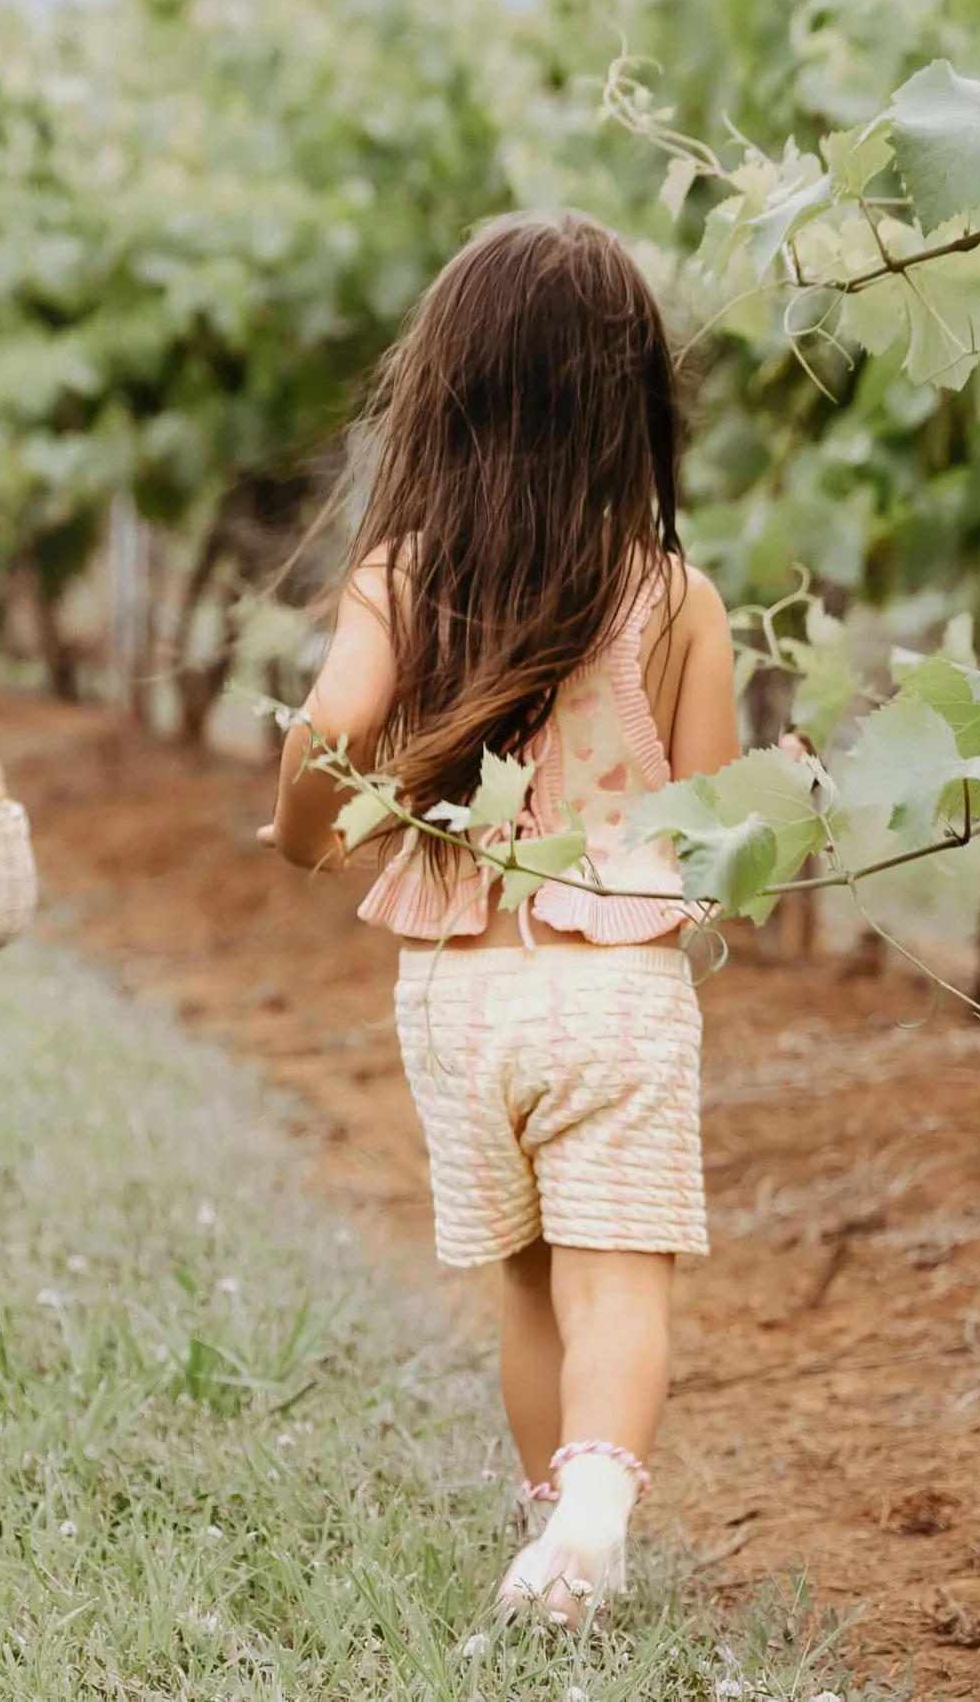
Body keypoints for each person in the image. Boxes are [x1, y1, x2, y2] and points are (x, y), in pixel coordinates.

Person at [265, 214, 739, 1624]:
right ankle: (592, 1526)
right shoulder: (673, 599)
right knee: (618, 1286)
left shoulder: (405, 575)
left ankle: (555, 1539)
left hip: (461, 996)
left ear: (448, 388)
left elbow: (332, 736)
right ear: (631, 399)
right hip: (613, 990)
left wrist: (302, 831)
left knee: (527, 1288)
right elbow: (712, 829)